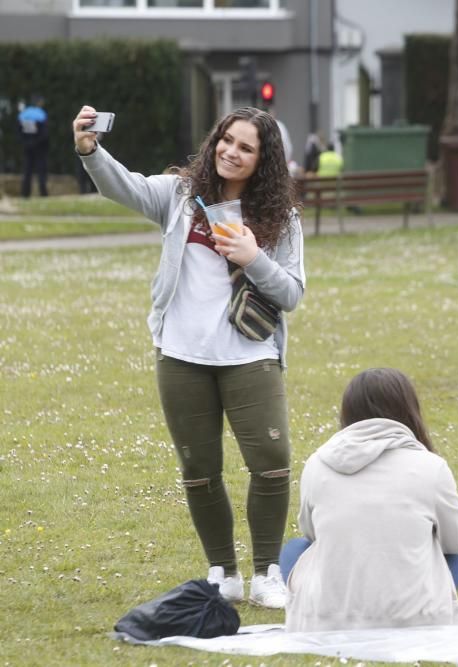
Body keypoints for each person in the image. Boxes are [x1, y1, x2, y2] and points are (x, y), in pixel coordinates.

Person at [73, 105, 306, 607]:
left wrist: (253, 257)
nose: (231, 152)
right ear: (214, 141)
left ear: (263, 160)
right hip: (181, 355)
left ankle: (267, 572)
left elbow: (290, 293)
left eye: (246, 147)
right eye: (227, 140)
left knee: (272, 463)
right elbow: (126, 186)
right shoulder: (180, 196)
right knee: (199, 470)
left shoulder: (280, 218)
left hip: (249, 355)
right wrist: (90, 151)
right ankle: (223, 571)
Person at [282, 368, 458, 631]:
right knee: (451, 553)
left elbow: (311, 533)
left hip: (330, 620)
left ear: (347, 413)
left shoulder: (318, 463)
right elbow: (456, 542)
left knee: (295, 549)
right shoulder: (431, 466)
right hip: (415, 618)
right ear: (409, 410)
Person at [18, 95, 49, 198]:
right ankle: (43, 193)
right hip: (39, 147)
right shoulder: (41, 114)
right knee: (41, 170)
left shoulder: (24, 114)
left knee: (27, 170)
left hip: (27, 146)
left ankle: (25, 193)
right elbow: (44, 134)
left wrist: (26, 142)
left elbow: (19, 131)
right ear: (39, 103)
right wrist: (37, 142)